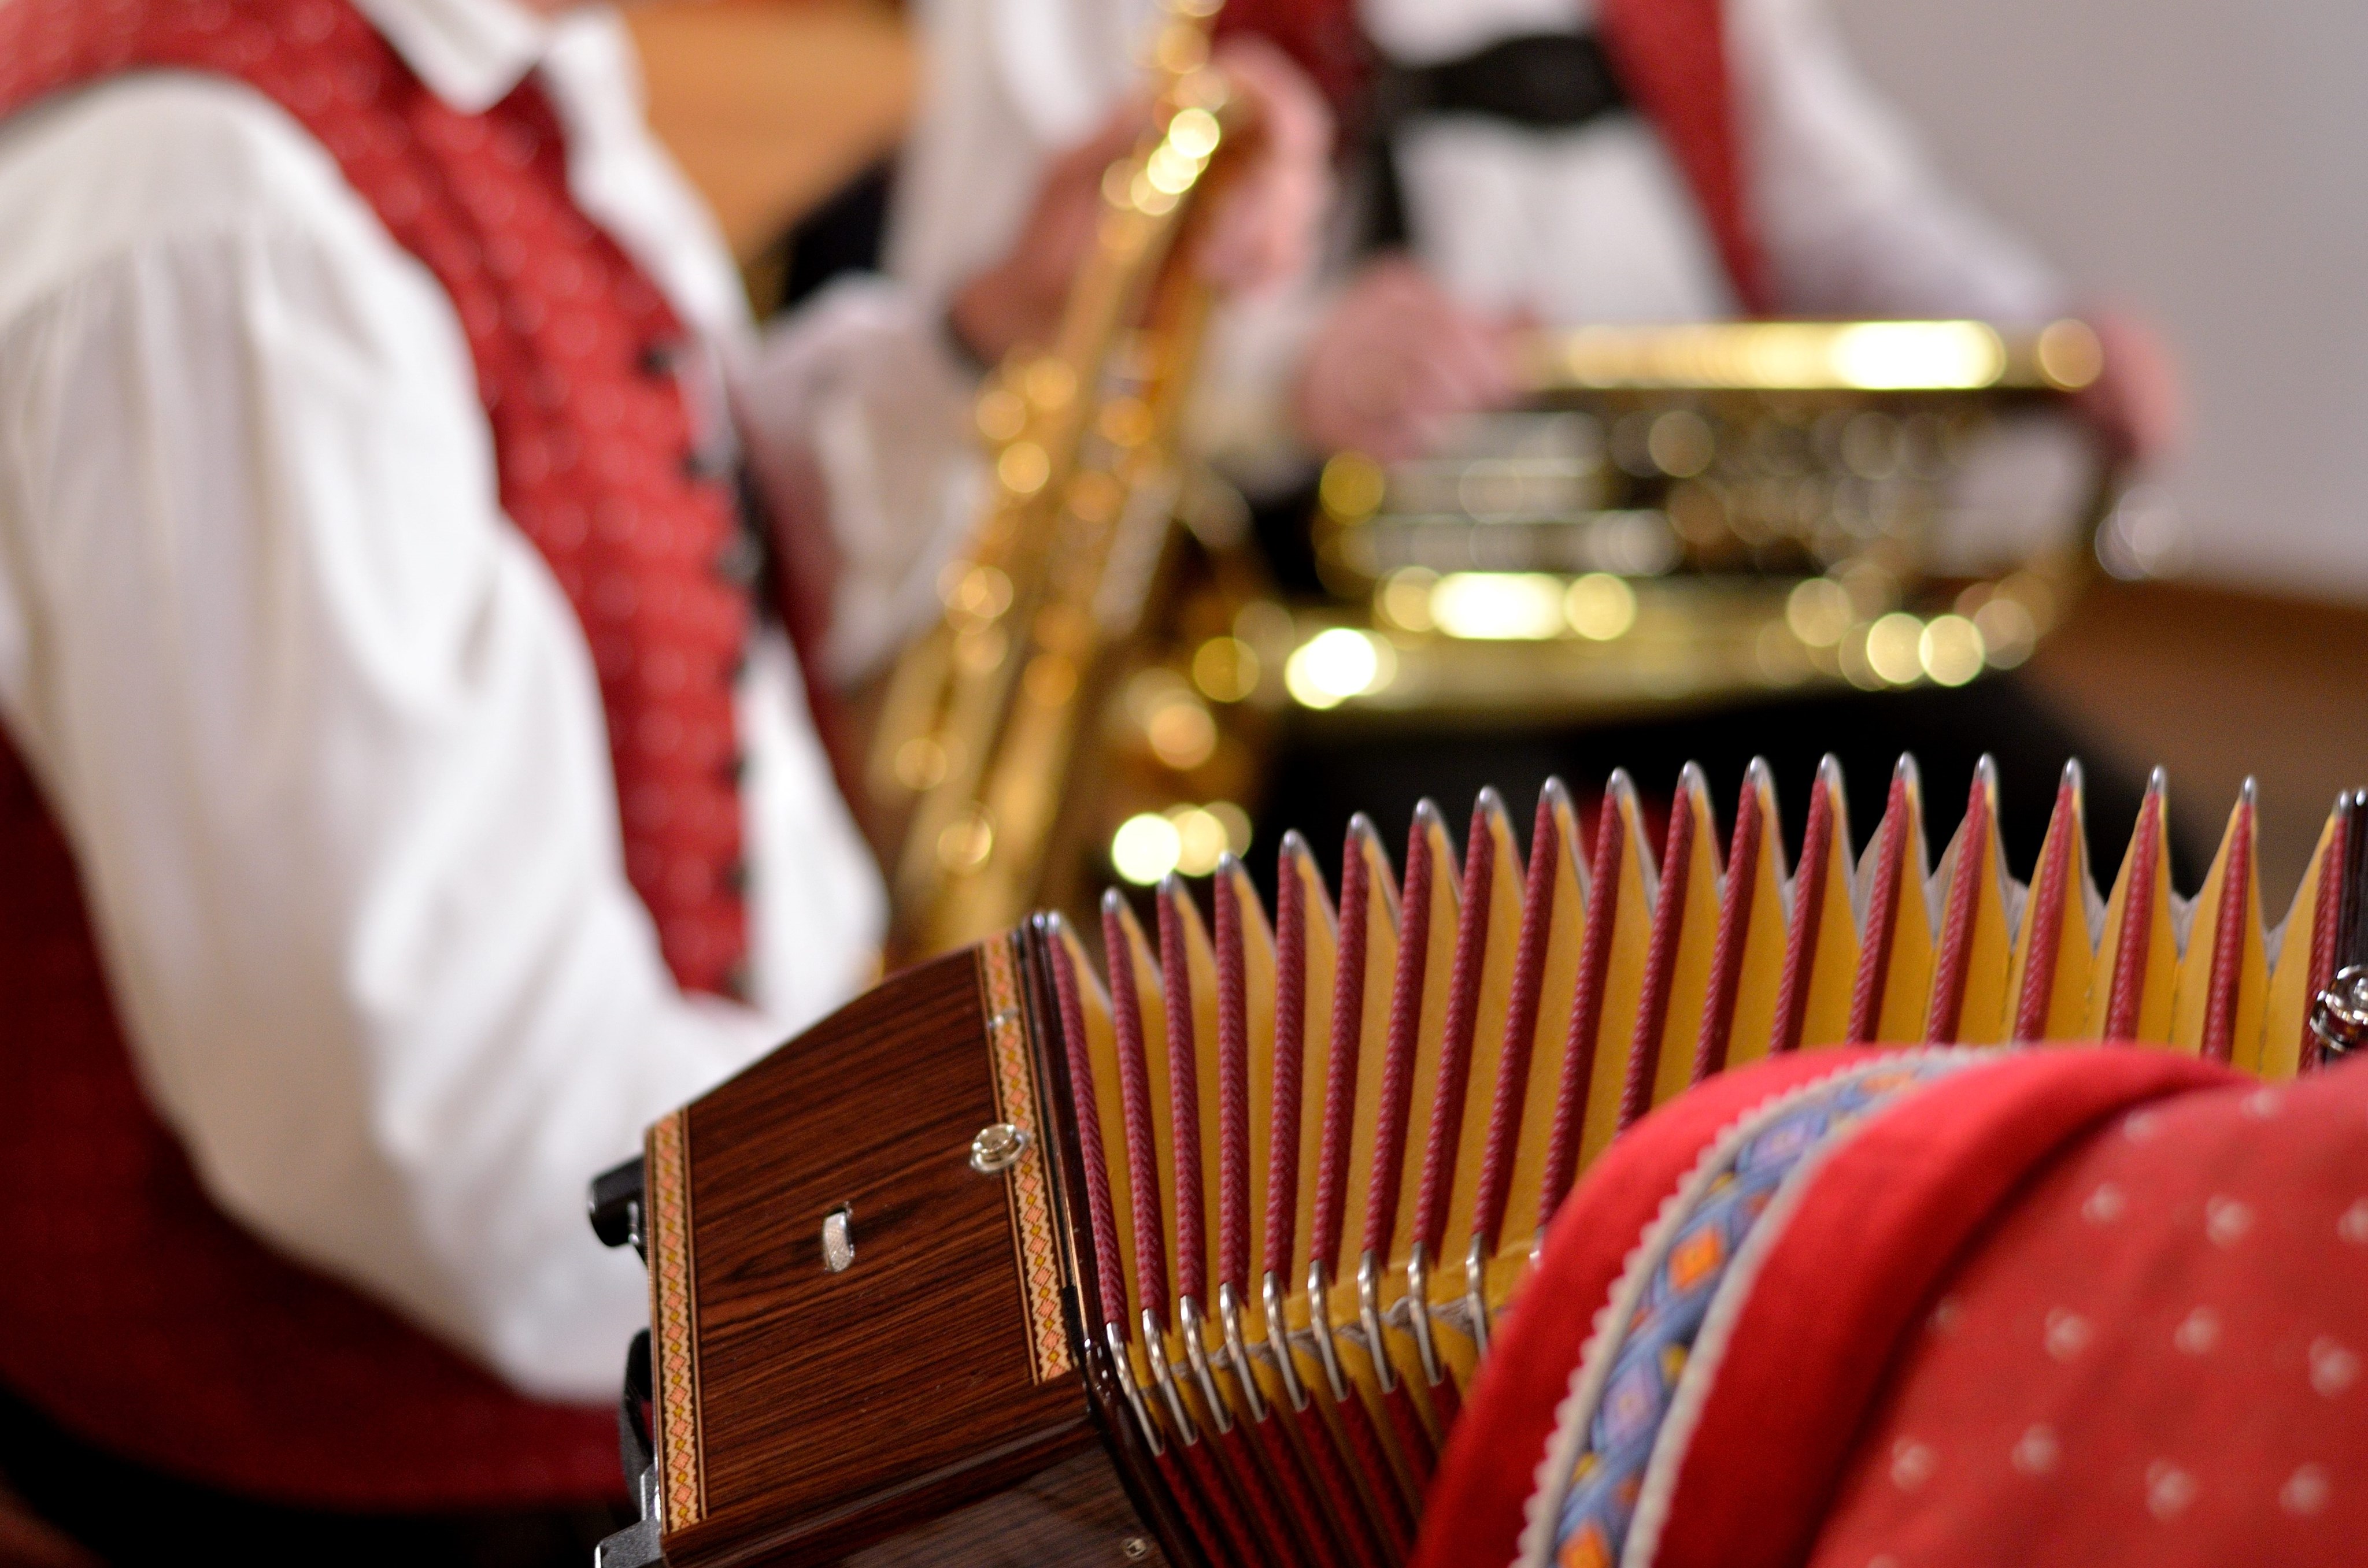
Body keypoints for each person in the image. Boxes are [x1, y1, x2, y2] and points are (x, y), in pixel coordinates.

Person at [0, 0, 1327, 1556]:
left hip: (676, 1332)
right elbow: (441, 1115)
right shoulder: (214, 227)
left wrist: (998, 329)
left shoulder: (503, 64)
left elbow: (650, 524)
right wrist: (984, 1220)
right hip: (405, 1474)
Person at [889, 0, 2179, 484]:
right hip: (1316, 622)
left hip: (1696, 563)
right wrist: (1280, 368)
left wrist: (2043, 331)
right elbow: (982, 324)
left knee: (2103, 866)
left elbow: (1834, 199)